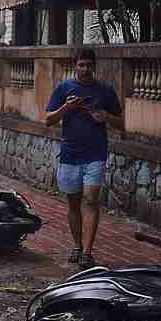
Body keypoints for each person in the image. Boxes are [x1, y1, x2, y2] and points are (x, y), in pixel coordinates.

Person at [45, 49, 123, 267]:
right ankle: (78, 246)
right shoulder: (64, 88)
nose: (85, 69)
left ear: (94, 66)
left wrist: (106, 116)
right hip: (70, 153)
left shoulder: (105, 91)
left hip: (95, 153)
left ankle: (87, 253)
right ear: (75, 66)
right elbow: (48, 120)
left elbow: (121, 123)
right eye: (82, 65)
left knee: (91, 199)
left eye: (89, 65)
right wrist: (66, 108)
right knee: (73, 201)